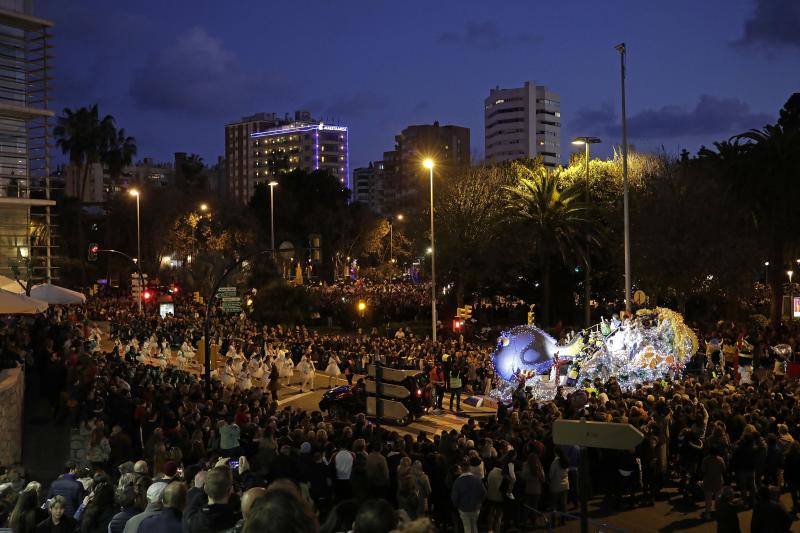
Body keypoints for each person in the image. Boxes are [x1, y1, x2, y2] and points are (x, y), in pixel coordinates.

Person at [183, 466, 238, 533]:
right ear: (230, 490)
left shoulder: (191, 520)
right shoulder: (239, 519)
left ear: (205, 488)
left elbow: (192, 504)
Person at [451, 464, 486, 533]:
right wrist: (480, 503)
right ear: (470, 469)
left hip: (463, 508)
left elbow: (454, 497)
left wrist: (457, 505)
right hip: (476, 507)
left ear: (461, 470)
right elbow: (484, 492)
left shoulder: (458, 481)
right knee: (474, 525)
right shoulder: (477, 479)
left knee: (467, 527)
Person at [701, 450, 726, 519]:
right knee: (718, 498)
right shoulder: (720, 459)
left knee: (708, 499)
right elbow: (724, 469)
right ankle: (718, 512)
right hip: (718, 480)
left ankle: (708, 513)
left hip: (708, 480)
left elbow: (703, 470)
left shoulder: (706, 459)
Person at [549, 448, 569, 526]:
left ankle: (553, 522)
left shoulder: (555, 462)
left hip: (556, 485)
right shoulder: (566, 461)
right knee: (563, 504)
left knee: (554, 505)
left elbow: (551, 474)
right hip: (565, 484)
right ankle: (563, 520)